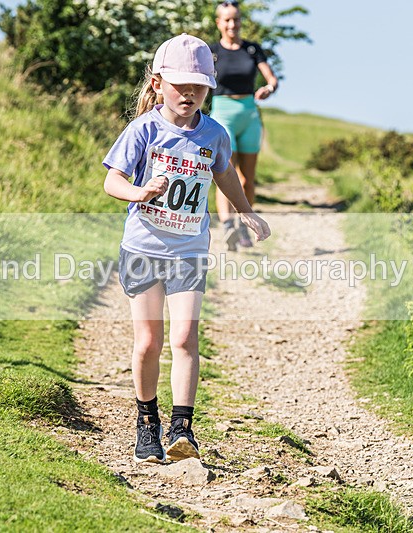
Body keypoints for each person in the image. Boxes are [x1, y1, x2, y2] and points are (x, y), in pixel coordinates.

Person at [103, 33, 270, 463]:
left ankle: (183, 428)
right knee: (148, 342)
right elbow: (111, 180)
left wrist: (246, 210)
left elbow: (226, 174)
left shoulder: (213, 133)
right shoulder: (144, 129)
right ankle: (147, 425)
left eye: (200, 85)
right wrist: (139, 192)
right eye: (181, 84)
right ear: (158, 83)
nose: (191, 93)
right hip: (143, 247)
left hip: (189, 250)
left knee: (184, 337)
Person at [210, 0, 279, 251]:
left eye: (236, 19)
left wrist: (268, 88)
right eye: (227, 19)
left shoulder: (252, 49)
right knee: (224, 170)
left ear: (241, 21)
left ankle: (244, 226)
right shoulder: (212, 52)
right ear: (219, 22)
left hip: (249, 114)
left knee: (247, 179)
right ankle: (228, 225)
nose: (232, 24)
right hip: (223, 114)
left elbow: (271, 78)